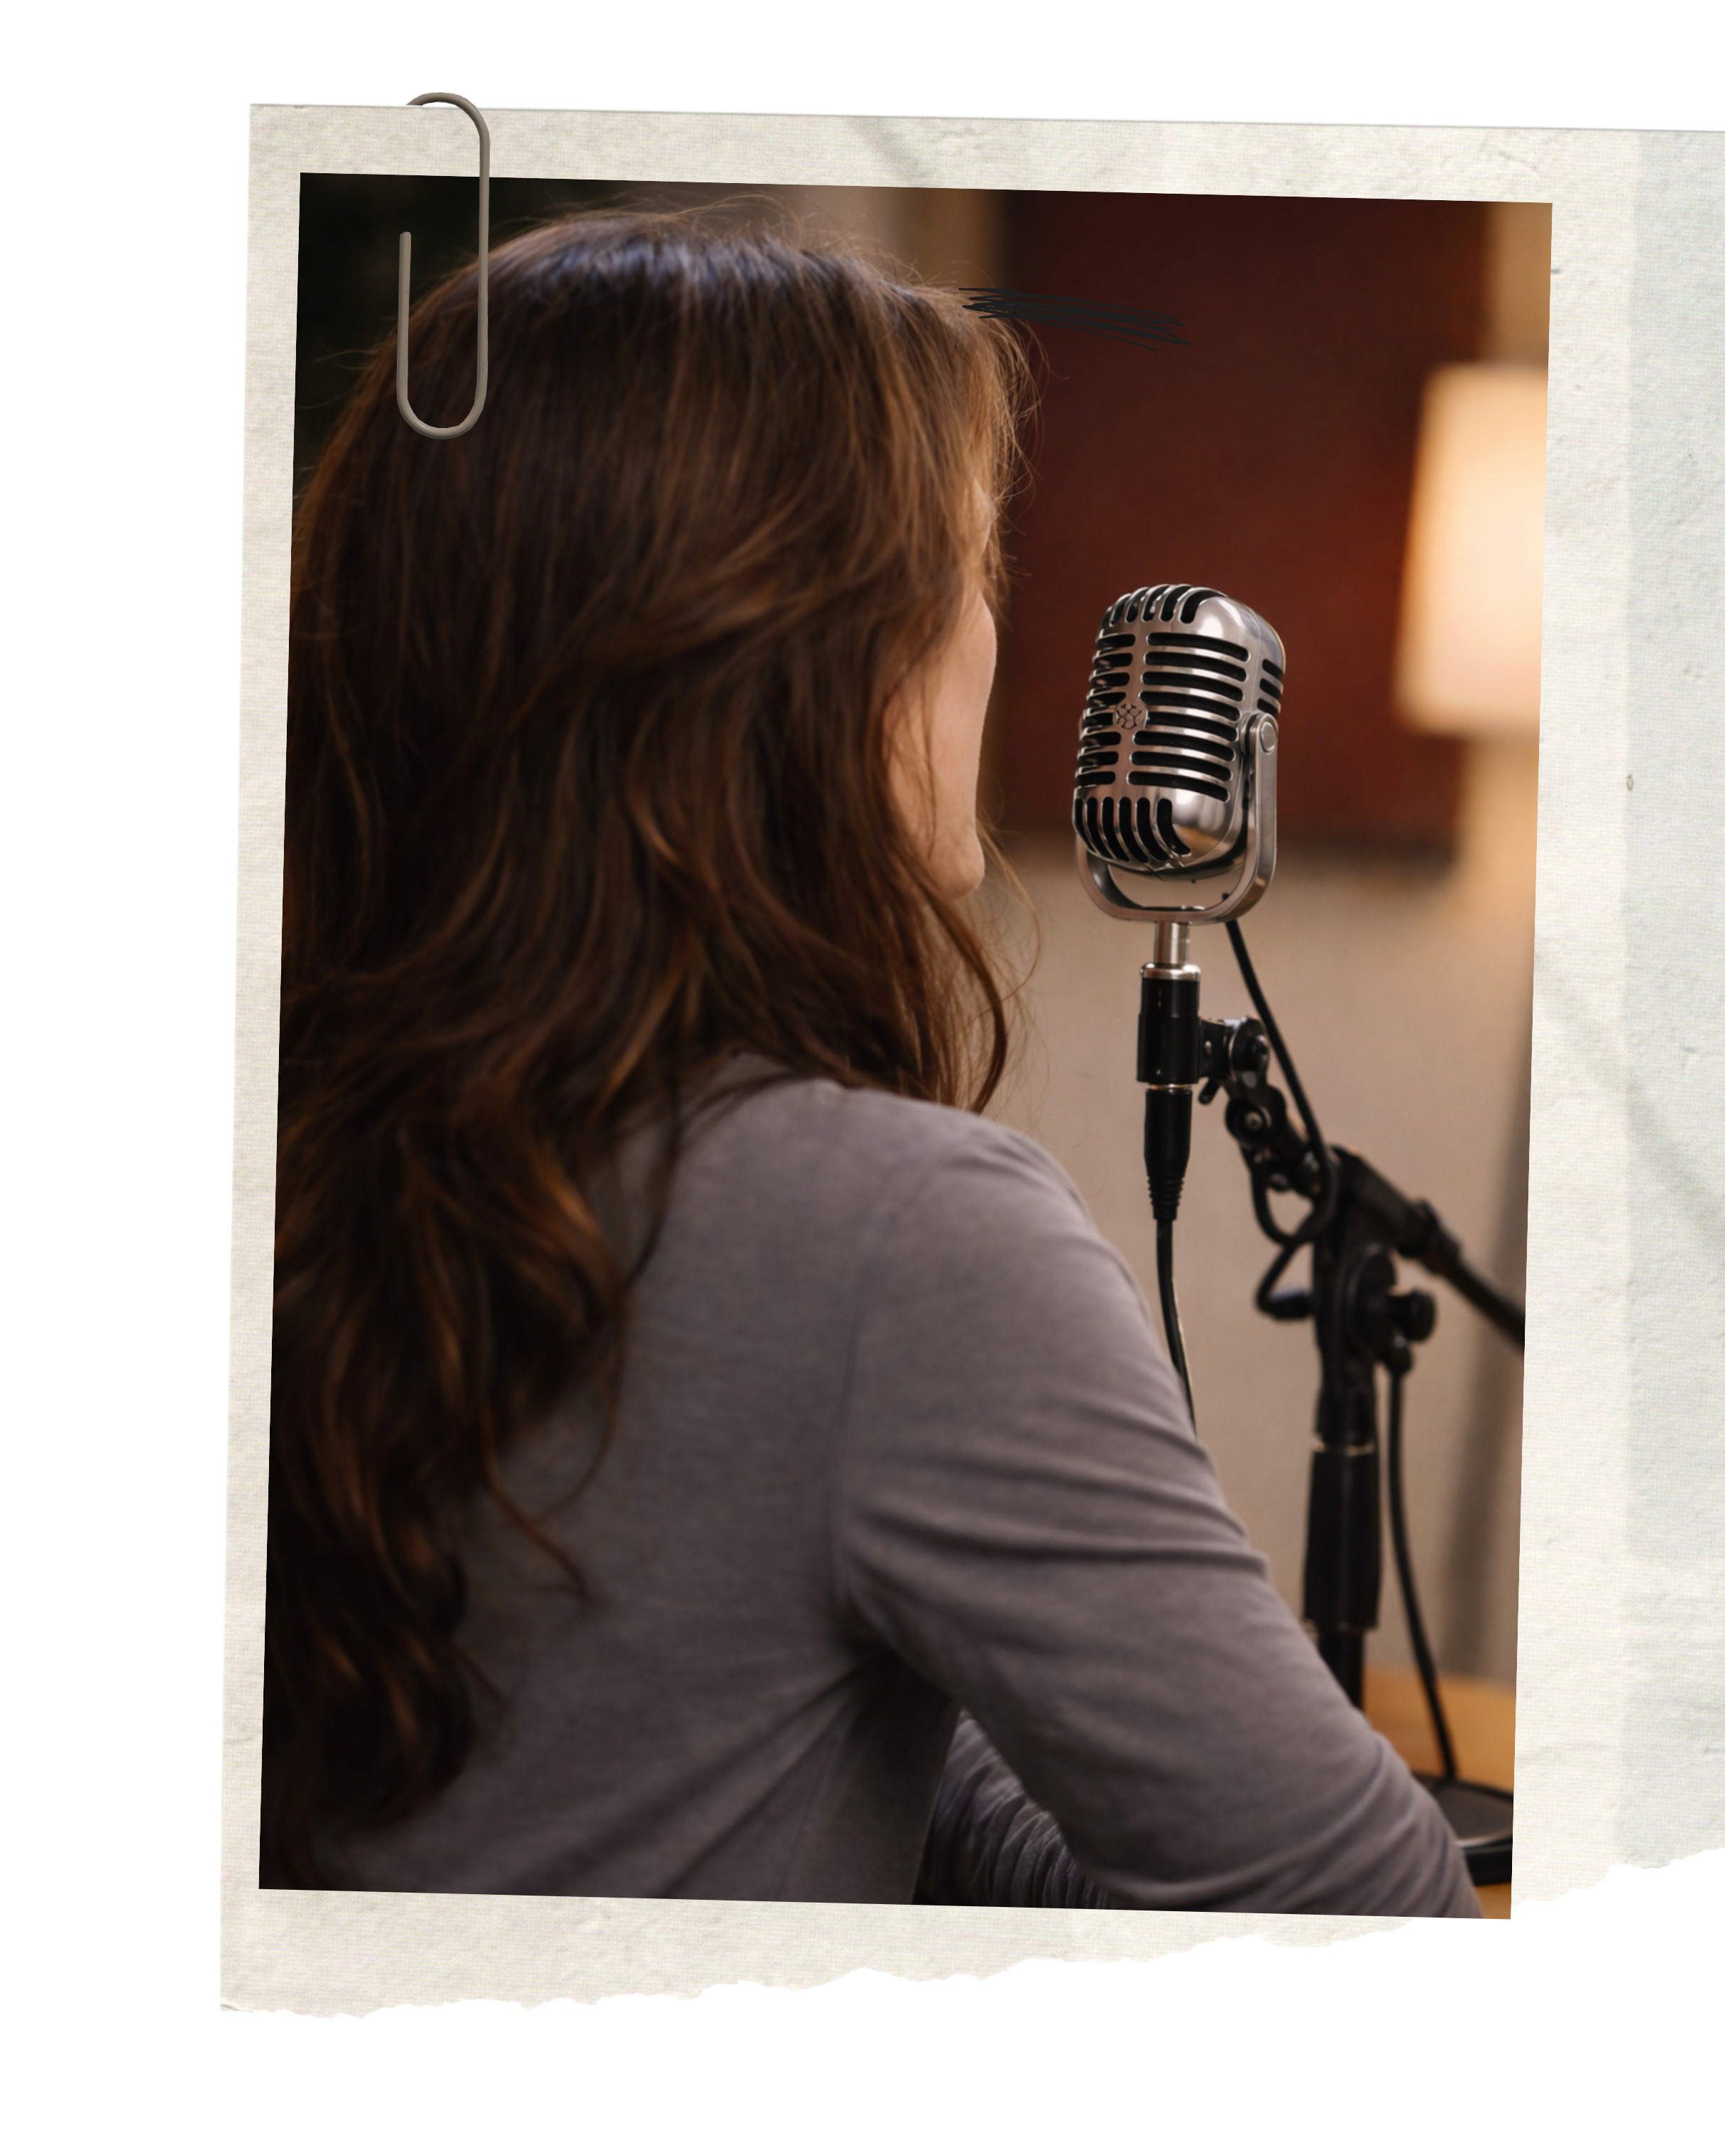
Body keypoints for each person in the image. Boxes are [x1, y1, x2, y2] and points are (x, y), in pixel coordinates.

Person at [264, 210, 1479, 1926]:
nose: (996, 632)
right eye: (974, 563)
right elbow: (1361, 1914)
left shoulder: (311, 1132)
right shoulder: (894, 1237)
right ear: (812, 667)